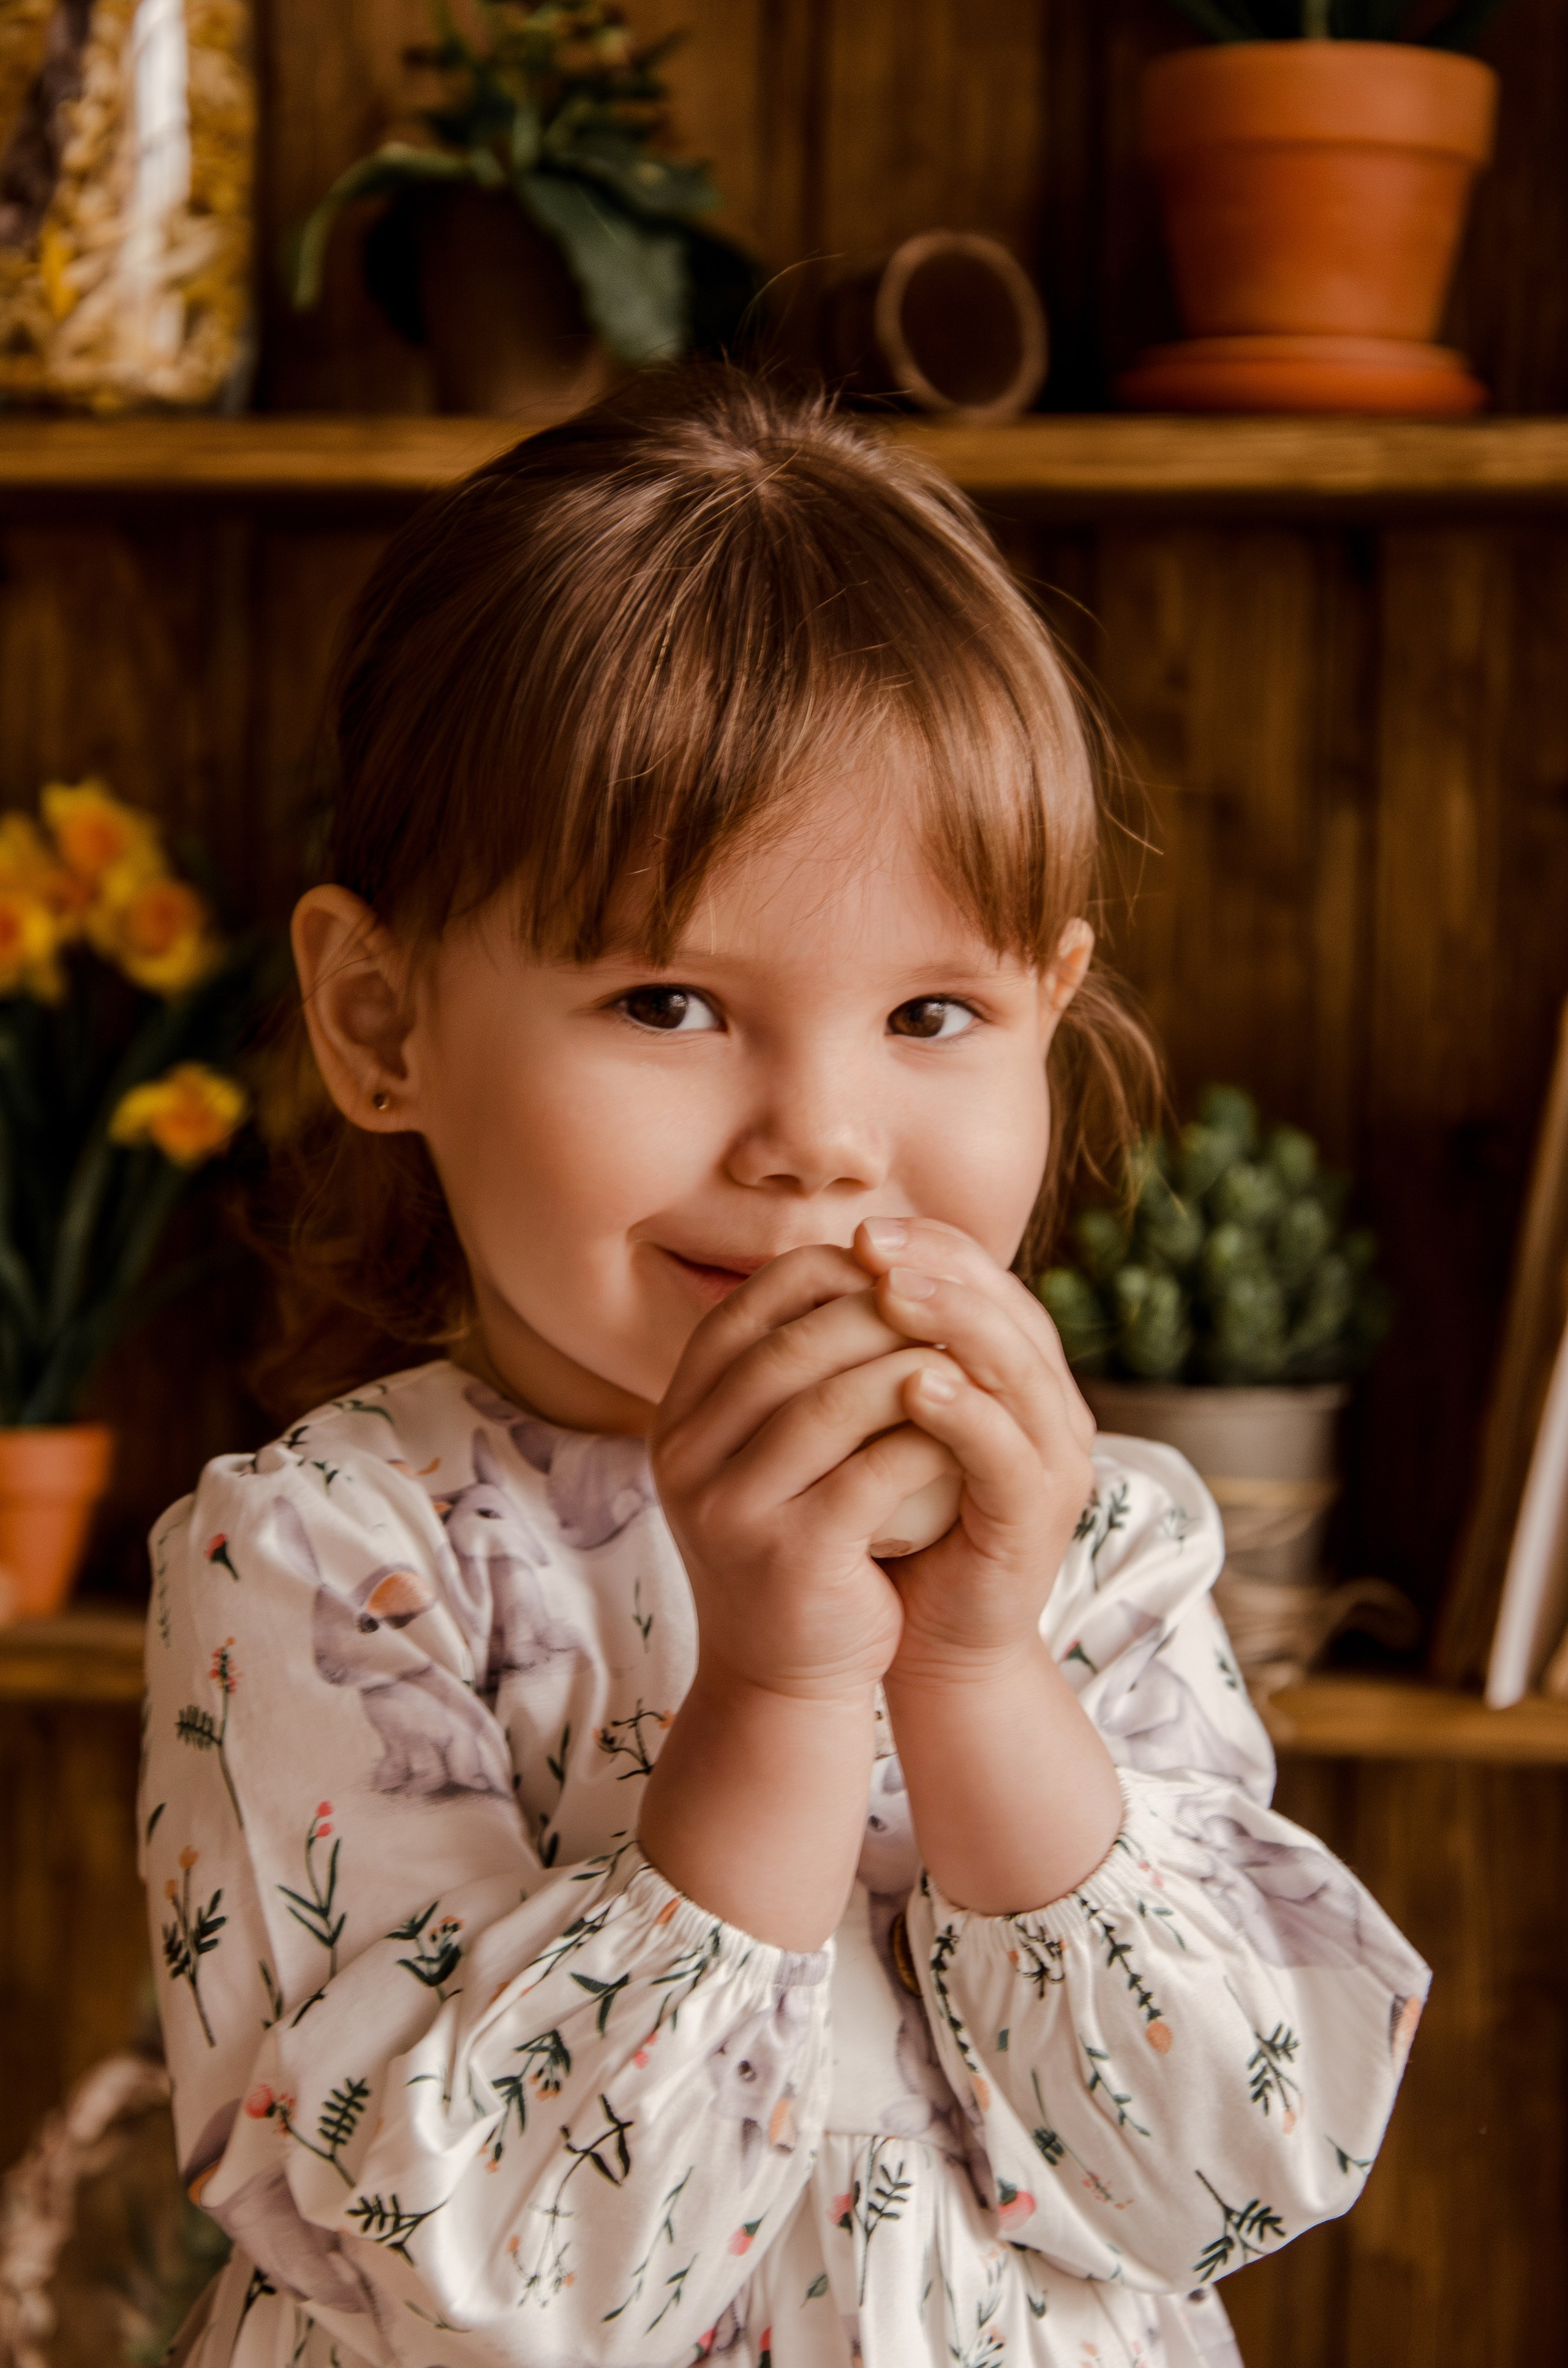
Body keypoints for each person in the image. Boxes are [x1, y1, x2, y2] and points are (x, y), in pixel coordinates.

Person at [141, 372, 1428, 2368]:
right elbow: (499, 2269)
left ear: (1053, 1009)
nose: (823, 1136)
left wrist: (978, 1664)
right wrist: (780, 1689)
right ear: (378, 1015)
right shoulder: (327, 1561)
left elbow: (1234, 2167)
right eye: (669, 998)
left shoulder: (1095, 1550)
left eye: (933, 1009)